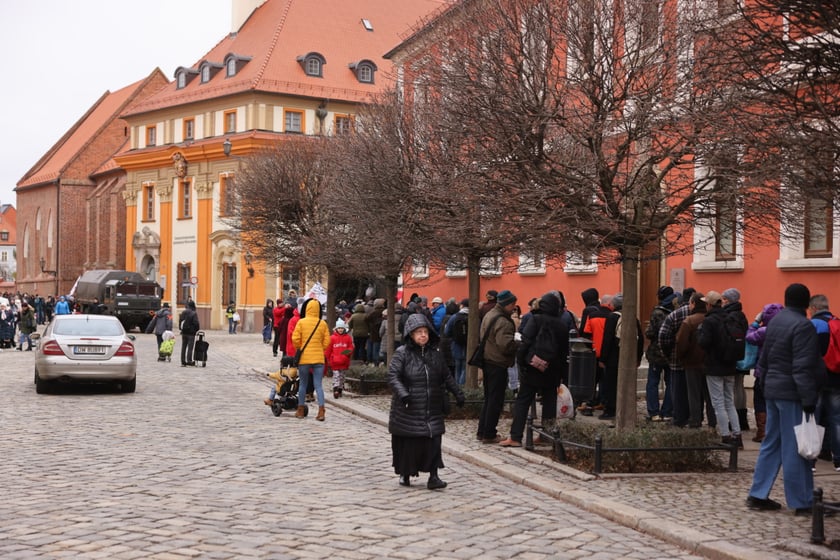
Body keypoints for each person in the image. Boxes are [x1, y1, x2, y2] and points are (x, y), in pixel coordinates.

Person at [747, 283, 821, 515]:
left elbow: (765, 360)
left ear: (786, 300)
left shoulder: (776, 321)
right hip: (792, 392)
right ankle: (802, 500)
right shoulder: (803, 326)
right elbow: (802, 366)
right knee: (795, 447)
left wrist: (766, 384)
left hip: (772, 389)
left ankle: (758, 494)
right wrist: (808, 397)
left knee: (772, 443)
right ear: (807, 304)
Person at [388, 313, 465, 489]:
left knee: (433, 441)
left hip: (432, 406)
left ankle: (434, 476)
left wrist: (458, 393)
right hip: (409, 408)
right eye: (418, 332)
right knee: (411, 443)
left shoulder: (435, 355)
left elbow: (446, 376)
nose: (423, 335)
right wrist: (404, 394)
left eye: (425, 332)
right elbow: (393, 376)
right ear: (411, 334)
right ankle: (405, 473)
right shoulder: (402, 354)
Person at [500, 292, 572, 446]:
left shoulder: (536, 319)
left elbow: (525, 342)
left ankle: (515, 436)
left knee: (523, 401)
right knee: (549, 403)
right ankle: (546, 435)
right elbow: (564, 351)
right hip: (552, 370)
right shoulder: (561, 325)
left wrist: (522, 363)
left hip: (532, 367)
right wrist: (561, 374)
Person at [698, 290, 744, 448]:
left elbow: (704, 342)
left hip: (714, 366)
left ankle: (725, 435)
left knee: (718, 403)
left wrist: (700, 334)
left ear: (709, 304)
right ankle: (737, 435)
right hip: (730, 365)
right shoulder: (729, 318)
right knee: (729, 402)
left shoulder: (709, 321)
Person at [476, 289, 518, 444]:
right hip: (497, 362)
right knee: (495, 400)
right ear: (508, 304)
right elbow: (505, 345)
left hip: (488, 360)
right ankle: (489, 433)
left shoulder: (489, 314)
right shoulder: (503, 321)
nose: (514, 307)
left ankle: (482, 431)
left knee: (489, 398)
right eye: (513, 304)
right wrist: (518, 344)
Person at [598, 293, 643, 421]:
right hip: (629, 358)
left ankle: (611, 410)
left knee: (611, 385)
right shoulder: (633, 318)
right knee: (627, 384)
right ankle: (628, 408)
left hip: (613, 358)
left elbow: (607, 339)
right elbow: (640, 339)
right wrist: (638, 357)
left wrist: (603, 358)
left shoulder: (612, 317)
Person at [809, 294, 840, 470]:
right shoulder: (838, 322)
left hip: (819, 377)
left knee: (815, 418)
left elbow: (812, 351)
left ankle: (811, 460)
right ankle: (839, 460)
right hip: (837, 377)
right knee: (837, 419)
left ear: (813, 308)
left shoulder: (815, 324)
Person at [675, 292, 715, 429]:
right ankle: (713, 421)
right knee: (710, 394)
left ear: (693, 304)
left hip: (692, 362)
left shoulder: (689, 321)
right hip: (710, 362)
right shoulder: (711, 319)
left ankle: (695, 420)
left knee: (694, 393)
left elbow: (681, 342)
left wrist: (682, 357)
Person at [658, 287, 696, 427]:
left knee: (678, 390)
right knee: (694, 392)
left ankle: (679, 418)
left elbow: (663, 336)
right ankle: (694, 419)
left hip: (676, 360)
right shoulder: (703, 314)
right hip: (696, 362)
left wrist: (668, 354)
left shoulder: (675, 314)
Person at [746, 302, 784, 442]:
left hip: (763, 372)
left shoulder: (764, 331)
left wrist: (755, 322)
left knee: (760, 401)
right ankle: (777, 432)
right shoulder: (786, 330)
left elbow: (749, 337)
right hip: (781, 373)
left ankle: (762, 432)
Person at [292, 298, 331, 421]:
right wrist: (320, 348)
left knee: (303, 385)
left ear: (307, 309)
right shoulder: (322, 323)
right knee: (318, 385)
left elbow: (295, 339)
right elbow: (327, 341)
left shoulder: (301, 322)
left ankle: (300, 409)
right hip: (319, 358)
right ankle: (321, 411)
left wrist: (300, 347)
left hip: (304, 359)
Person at [644, 286, 677, 421]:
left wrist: (648, 331)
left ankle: (654, 412)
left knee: (652, 382)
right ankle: (667, 411)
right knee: (670, 382)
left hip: (657, 353)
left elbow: (651, 332)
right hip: (671, 353)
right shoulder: (676, 310)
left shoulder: (658, 312)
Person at [722, 288, 751, 433]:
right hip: (742, 355)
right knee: (739, 387)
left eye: (724, 299)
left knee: (734, 388)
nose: (722, 302)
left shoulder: (730, 315)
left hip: (735, 356)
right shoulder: (741, 314)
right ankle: (742, 418)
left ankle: (736, 419)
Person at [326, 318, 353, 398]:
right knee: (336, 376)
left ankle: (340, 389)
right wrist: (328, 358)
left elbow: (351, 348)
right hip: (335, 361)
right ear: (336, 329)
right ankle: (336, 389)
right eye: (339, 328)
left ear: (344, 329)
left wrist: (344, 355)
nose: (340, 330)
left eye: (342, 328)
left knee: (342, 377)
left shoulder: (348, 338)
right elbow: (328, 349)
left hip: (344, 362)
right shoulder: (332, 338)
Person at [445, 299, 470, 385]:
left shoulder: (454, 317)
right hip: (469, 346)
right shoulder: (473, 317)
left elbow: (446, 332)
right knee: (465, 368)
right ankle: (462, 387)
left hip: (456, 345)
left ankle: (457, 388)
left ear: (462, 306)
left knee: (457, 367)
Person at [179, 300, 200, 366]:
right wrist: (196, 330)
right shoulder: (193, 313)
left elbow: (180, 321)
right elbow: (196, 323)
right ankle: (189, 361)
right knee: (190, 347)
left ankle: (183, 361)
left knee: (183, 347)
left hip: (184, 332)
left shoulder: (183, 312)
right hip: (191, 333)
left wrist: (181, 329)